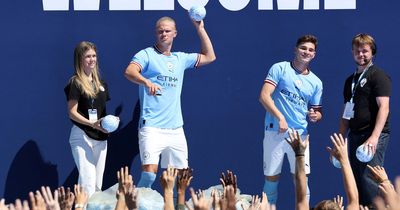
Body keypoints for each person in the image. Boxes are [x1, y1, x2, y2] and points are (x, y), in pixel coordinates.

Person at [124, 16, 216, 188]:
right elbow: (129, 71)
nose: (163, 34)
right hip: (151, 127)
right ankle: (136, 204)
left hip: (175, 129)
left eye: (167, 31)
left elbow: (210, 56)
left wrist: (200, 29)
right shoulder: (146, 55)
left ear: (175, 33)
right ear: (155, 34)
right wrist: (146, 82)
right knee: (149, 176)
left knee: (180, 180)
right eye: (160, 31)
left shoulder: (180, 59)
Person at [259, 35, 323, 204]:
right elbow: (264, 96)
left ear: (314, 55)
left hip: (300, 136)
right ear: (295, 50)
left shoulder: (316, 82)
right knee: (271, 181)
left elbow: (317, 111)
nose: (306, 52)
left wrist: (316, 116)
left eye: (310, 50)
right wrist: (280, 117)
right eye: (303, 48)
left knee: (302, 181)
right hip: (275, 131)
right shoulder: (279, 68)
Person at [339, 33, 391, 207]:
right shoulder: (350, 81)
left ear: (372, 53)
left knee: (370, 180)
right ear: (352, 53)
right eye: (357, 51)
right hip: (355, 135)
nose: (361, 54)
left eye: (365, 51)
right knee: (355, 181)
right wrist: (340, 139)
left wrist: (374, 137)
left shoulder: (379, 76)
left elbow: (384, 107)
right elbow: (346, 113)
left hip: (373, 135)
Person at [64, 41, 115, 197]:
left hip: (100, 137)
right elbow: (72, 112)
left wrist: (111, 122)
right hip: (81, 135)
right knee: (87, 180)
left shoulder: (102, 84)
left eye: (94, 56)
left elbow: (102, 112)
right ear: (80, 59)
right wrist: (91, 123)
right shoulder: (75, 83)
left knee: (97, 185)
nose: (92, 59)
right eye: (87, 56)